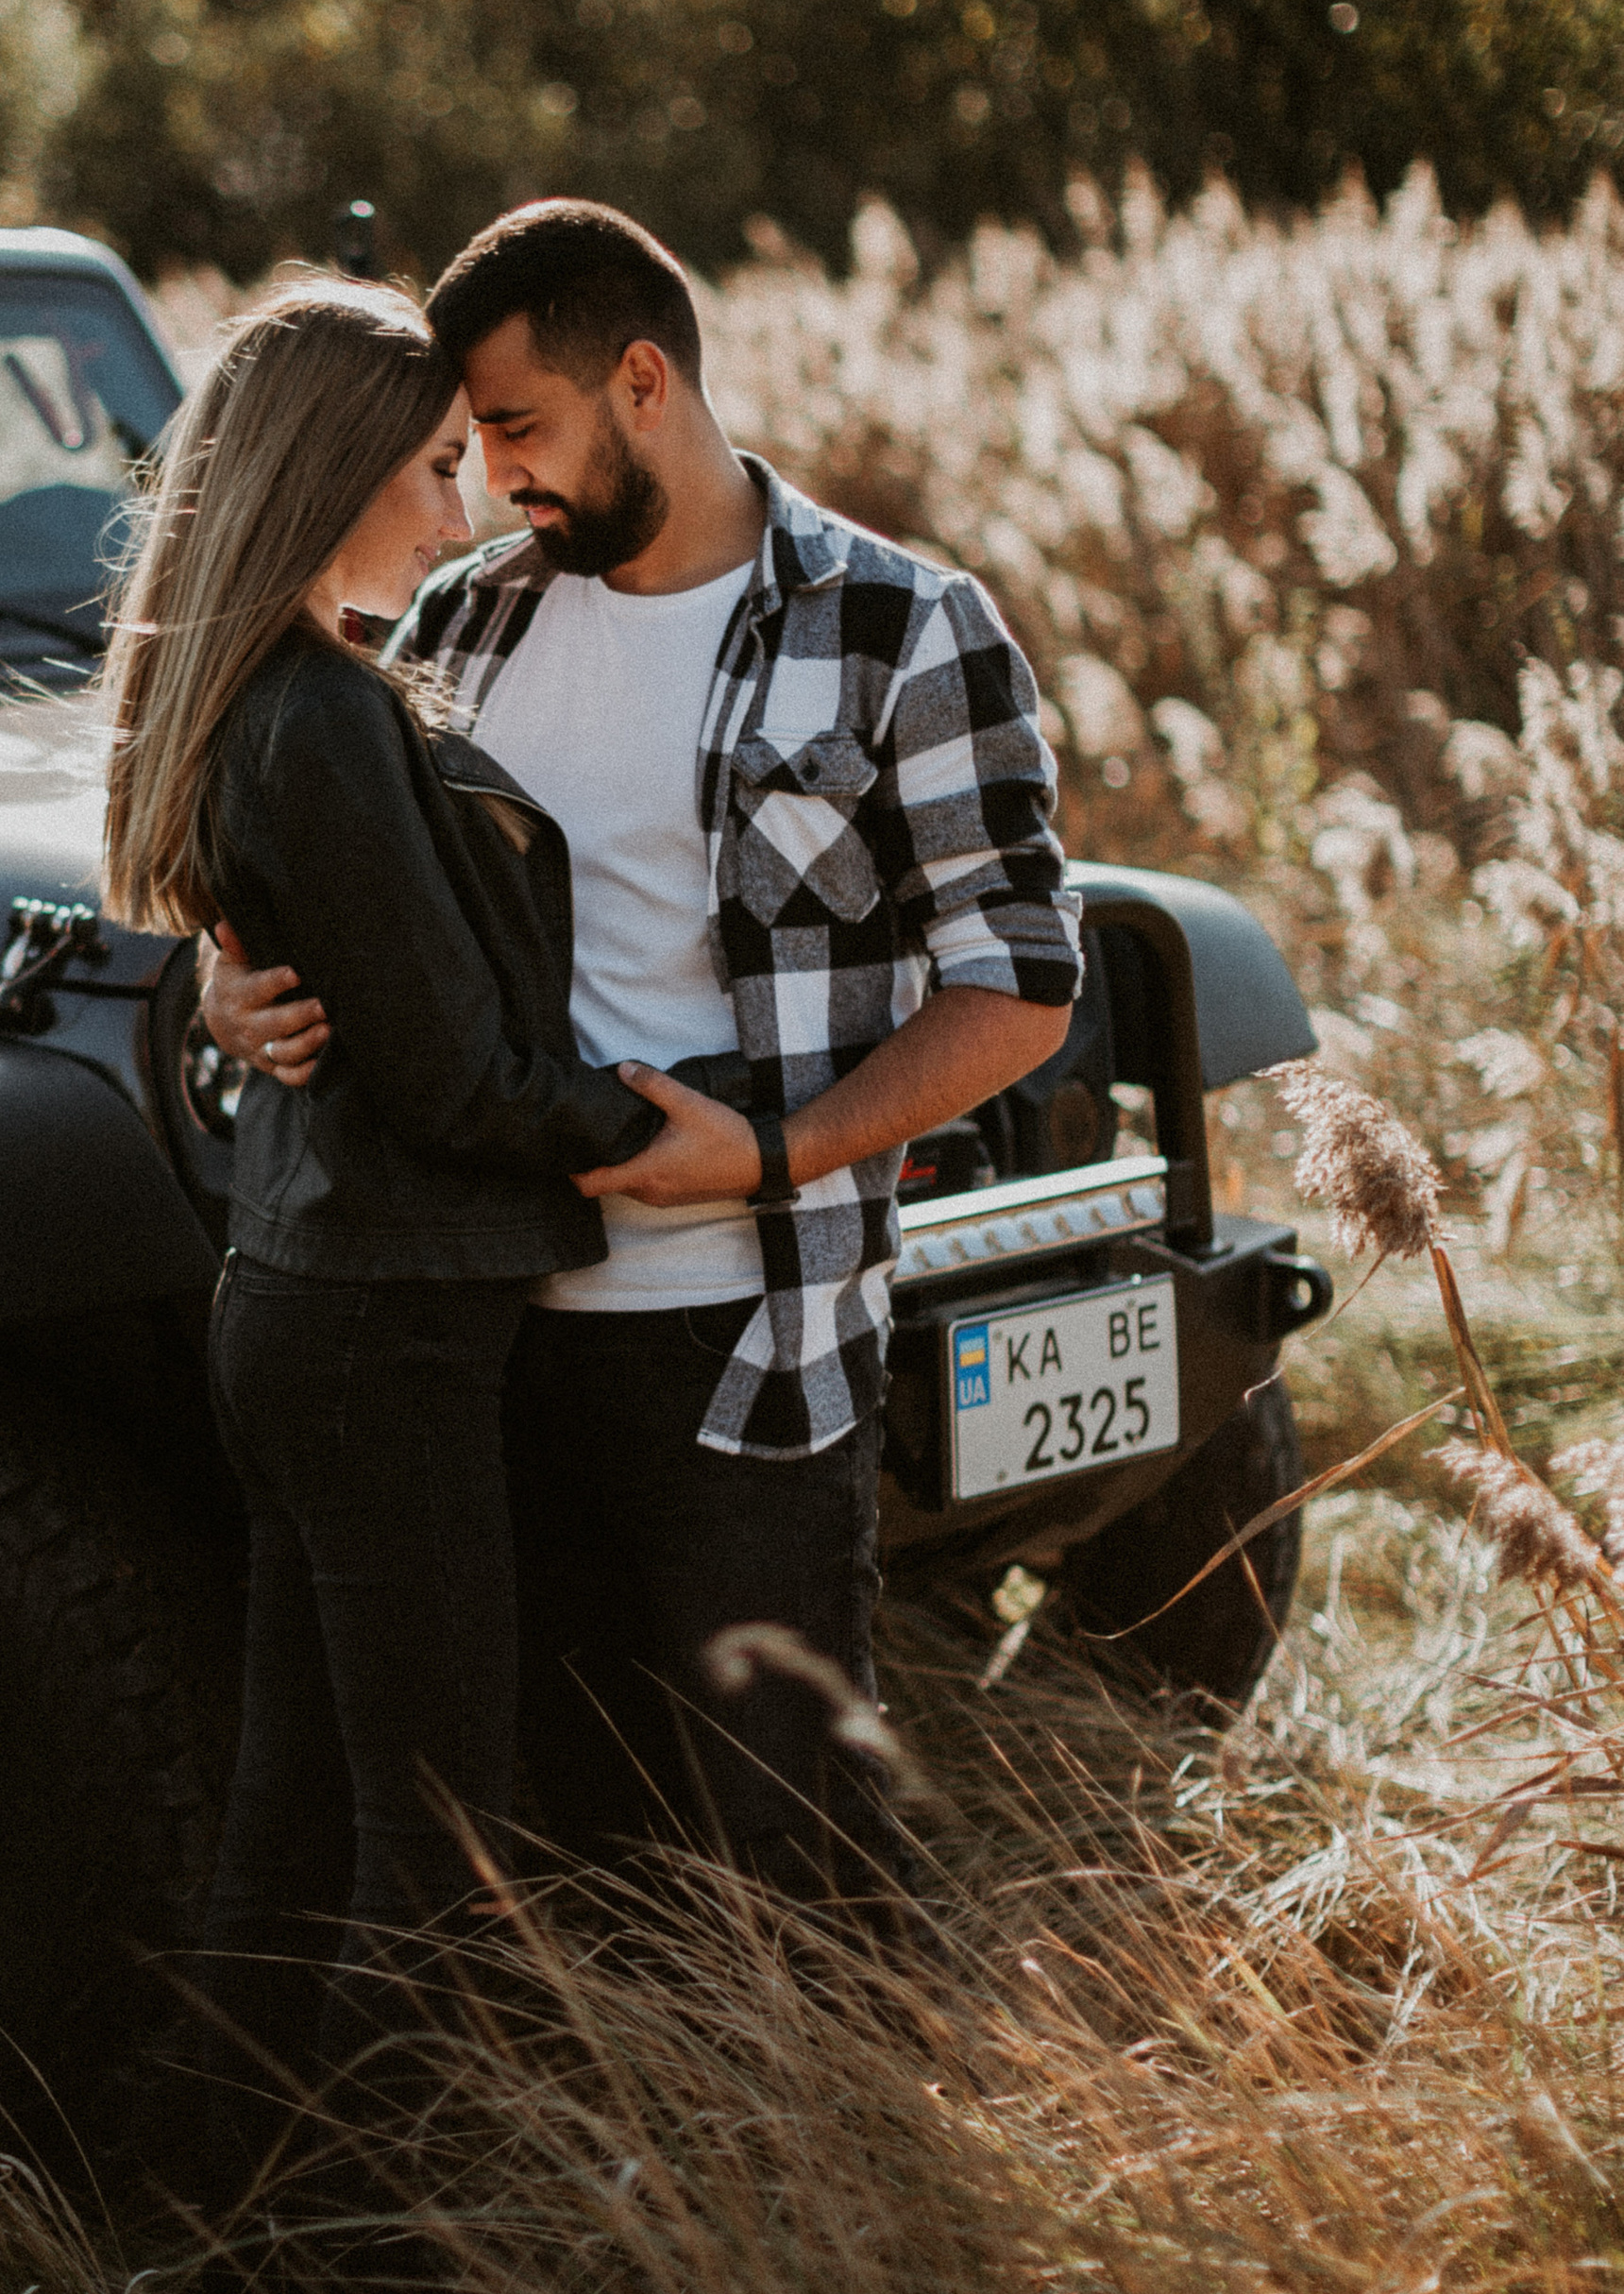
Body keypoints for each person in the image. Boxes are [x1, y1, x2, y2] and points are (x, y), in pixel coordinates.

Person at [203, 201, 1084, 1911]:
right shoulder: (461, 625)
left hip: (746, 1343)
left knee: (792, 1844)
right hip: (478, 1336)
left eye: (518, 431)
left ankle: (846, 2169)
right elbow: (318, 865)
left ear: (643, 379)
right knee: (558, 1836)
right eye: (466, 447)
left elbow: (1022, 989)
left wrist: (769, 1156)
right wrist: (233, 993)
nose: (493, 483)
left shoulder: (907, 631)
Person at [98, 275, 663, 2143]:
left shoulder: (274, 693)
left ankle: (208, 2241)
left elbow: (357, 997)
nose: (464, 500)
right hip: (375, 1331)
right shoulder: (322, 715)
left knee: (291, 1827)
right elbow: (451, 1076)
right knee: (440, 1859)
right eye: (431, 462)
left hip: (309, 1308)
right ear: (335, 464)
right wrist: (692, 1126)